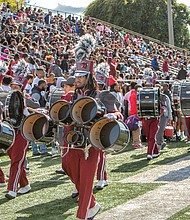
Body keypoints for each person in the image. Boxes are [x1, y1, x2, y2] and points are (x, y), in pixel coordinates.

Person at [5, 83, 31, 199]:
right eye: (12, 86)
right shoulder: (7, 98)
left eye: (16, 87)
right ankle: (25, 185)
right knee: (15, 159)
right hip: (11, 133)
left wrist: (25, 106)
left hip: (23, 133)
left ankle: (12, 189)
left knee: (16, 160)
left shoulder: (27, 98)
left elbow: (31, 115)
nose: (13, 89)